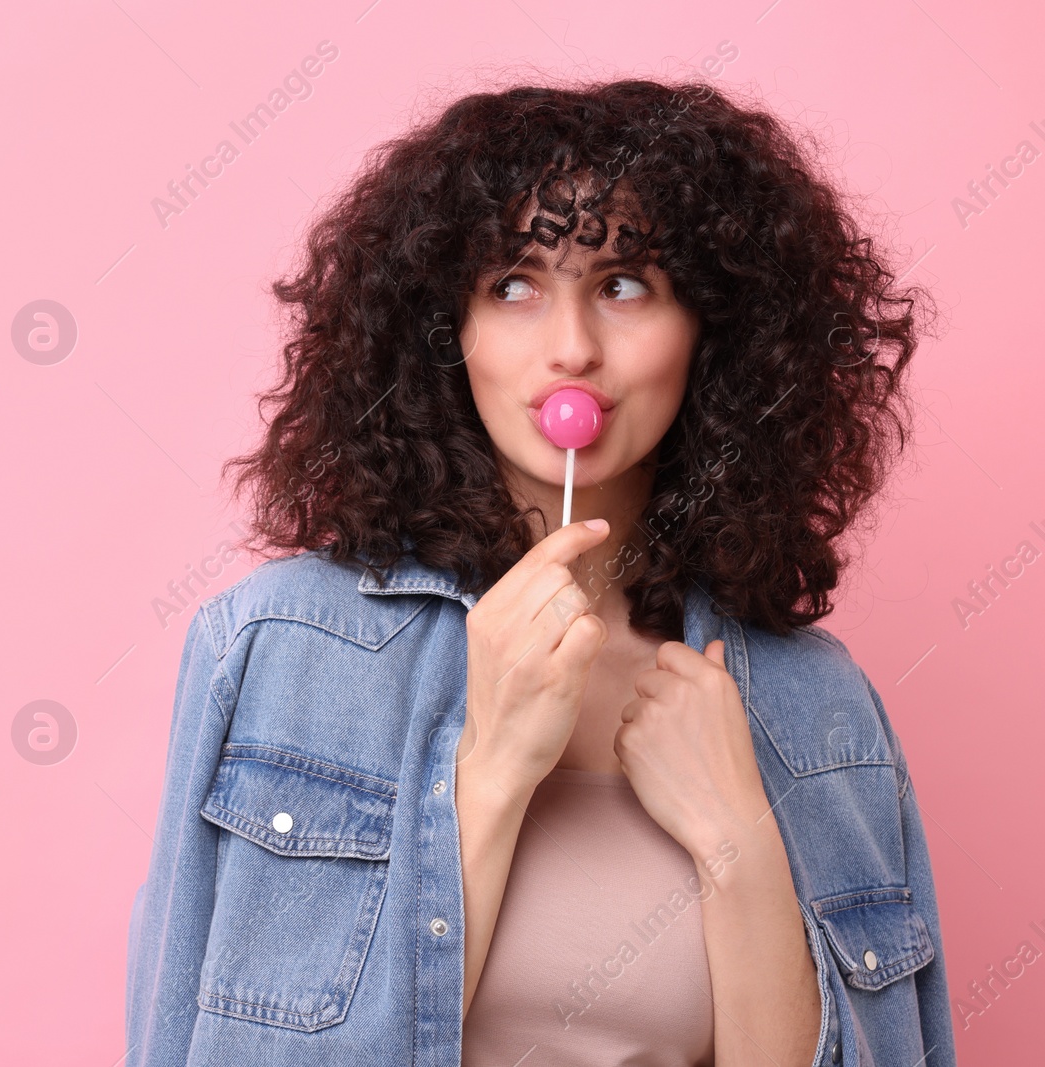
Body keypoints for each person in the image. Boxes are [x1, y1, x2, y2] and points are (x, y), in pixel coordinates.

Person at [124, 75, 956, 1067]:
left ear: (714, 333)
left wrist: (738, 838)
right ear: (448, 334)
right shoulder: (275, 649)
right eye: (513, 286)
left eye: (623, 286)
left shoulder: (820, 708)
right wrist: (489, 770)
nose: (570, 350)